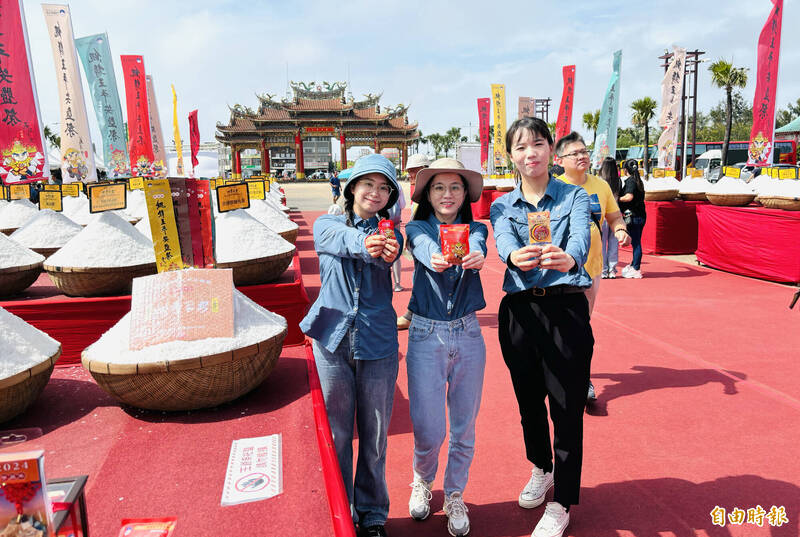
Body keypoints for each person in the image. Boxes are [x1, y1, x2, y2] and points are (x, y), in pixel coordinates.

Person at [490, 117, 593, 537]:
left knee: (566, 408)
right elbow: (502, 243)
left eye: (537, 143)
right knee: (528, 403)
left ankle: (563, 500)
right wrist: (515, 257)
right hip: (519, 313)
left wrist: (569, 259)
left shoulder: (576, 196)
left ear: (552, 149)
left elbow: (580, 242)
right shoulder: (502, 205)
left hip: (565, 310)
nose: (529, 153)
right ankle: (542, 467)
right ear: (510, 156)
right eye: (520, 147)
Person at [299, 154, 403, 537]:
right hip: (332, 341)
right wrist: (366, 241)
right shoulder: (326, 224)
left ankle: (373, 512)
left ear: (390, 196)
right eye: (368, 184)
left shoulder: (393, 234)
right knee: (338, 434)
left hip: (377, 342)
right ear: (352, 187)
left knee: (374, 436)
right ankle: (342, 510)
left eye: (383, 188)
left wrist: (385, 247)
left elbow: (386, 252)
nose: (375, 193)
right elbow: (340, 240)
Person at [404, 158, 487, 537]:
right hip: (425, 335)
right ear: (427, 194)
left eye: (455, 187)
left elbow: (481, 245)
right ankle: (423, 478)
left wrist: (477, 256)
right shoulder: (417, 227)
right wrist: (432, 256)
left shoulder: (477, 229)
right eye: (439, 187)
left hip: (469, 334)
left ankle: (455, 493)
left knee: (464, 427)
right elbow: (420, 245)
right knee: (428, 427)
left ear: (465, 194)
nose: (448, 194)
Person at [397, 153, 432, 330]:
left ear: (424, 171)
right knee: (420, 280)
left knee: (422, 281)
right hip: (418, 245)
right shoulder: (418, 193)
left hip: (428, 246)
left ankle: (413, 315)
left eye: (413, 171)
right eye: (409, 171)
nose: (409, 175)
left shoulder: (431, 193)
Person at [619, 159, 647, 278]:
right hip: (641, 215)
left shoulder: (630, 181)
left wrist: (617, 199)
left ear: (625, 170)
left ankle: (636, 267)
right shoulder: (639, 181)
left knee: (636, 243)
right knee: (637, 241)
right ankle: (634, 264)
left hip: (634, 216)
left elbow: (629, 197)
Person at [597, 158, 622, 279]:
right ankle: (612, 270)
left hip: (602, 214)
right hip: (616, 214)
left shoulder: (599, 181)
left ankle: (603, 270)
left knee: (601, 244)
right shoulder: (619, 181)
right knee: (613, 243)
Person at [388, 181, 407, 291]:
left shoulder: (380, 182)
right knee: (395, 250)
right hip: (394, 221)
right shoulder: (397, 185)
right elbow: (403, 204)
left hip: (380, 221)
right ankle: (397, 284)